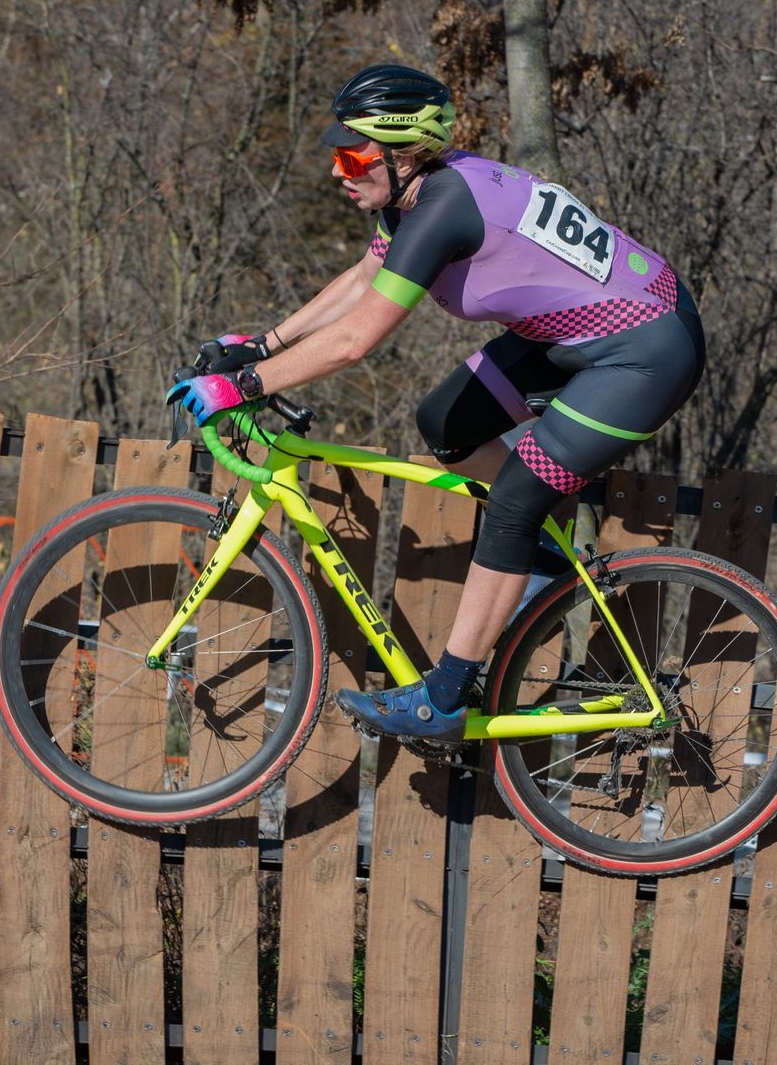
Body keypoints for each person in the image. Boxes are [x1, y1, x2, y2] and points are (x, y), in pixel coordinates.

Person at [169, 63, 705, 740]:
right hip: (576, 333)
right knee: (444, 423)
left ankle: (446, 697)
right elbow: (364, 279)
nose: (339, 171)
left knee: (512, 497)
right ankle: (537, 553)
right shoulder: (415, 197)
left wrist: (242, 387)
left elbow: (355, 340)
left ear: (403, 152)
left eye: (352, 155)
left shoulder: (445, 207)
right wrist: (261, 344)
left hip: (645, 350)